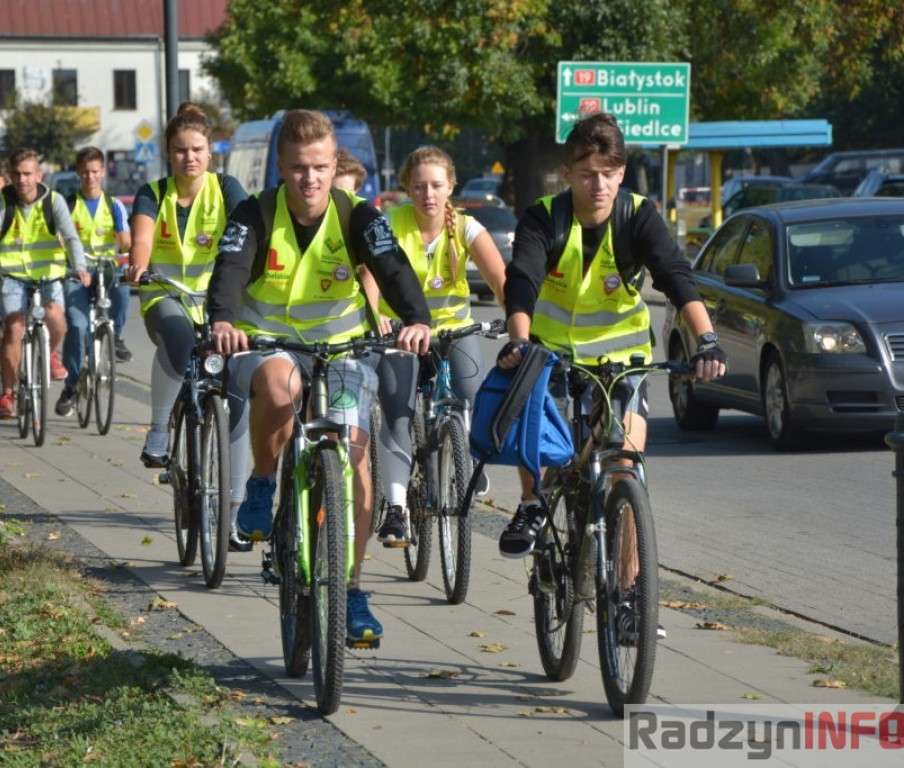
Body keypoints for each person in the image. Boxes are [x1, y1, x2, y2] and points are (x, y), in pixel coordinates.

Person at [207, 109, 432, 644]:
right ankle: (262, 482)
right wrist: (221, 318)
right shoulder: (253, 212)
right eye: (300, 167)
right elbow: (232, 269)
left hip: (344, 350)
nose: (311, 178)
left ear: (335, 167)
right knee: (281, 386)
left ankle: (351, 590)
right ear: (281, 168)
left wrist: (417, 319)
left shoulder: (359, 215)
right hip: (269, 342)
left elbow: (393, 266)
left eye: (321, 167)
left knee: (354, 457)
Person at [496, 112, 727, 559]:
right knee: (538, 434)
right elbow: (522, 278)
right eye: (586, 175)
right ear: (566, 175)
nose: (598, 186)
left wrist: (708, 340)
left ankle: (629, 605)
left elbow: (674, 276)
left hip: (624, 361)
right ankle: (531, 505)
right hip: (553, 355)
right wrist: (519, 340)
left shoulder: (637, 215)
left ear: (621, 172)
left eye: (608, 174)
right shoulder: (543, 218)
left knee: (625, 469)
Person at [368, 146, 506, 546]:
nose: (428, 194)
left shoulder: (466, 228)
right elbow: (370, 277)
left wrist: (516, 321)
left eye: (436, 186)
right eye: (419, 186)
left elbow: (500, 281)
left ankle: (465, 457)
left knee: (472, 394)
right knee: (397, 410)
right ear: (407, 189)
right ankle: (396, 509)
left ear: (451, 187)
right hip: (402, 333)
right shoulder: (388, 224)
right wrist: (376, 312)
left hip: (452, 330)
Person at [0, 147, 89, 420]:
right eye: (16, 174)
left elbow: (71, 237)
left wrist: (80, 268)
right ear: (9, 175)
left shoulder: (54, 202)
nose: (22, 180)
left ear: (39, 175)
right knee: (13, 328)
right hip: (12, 277)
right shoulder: (1, 203)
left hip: (48, 276)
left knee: (55, 316)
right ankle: (7, 395)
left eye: (27, 174)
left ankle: (50, 352)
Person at [56, 146, 134, 417]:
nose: (90, 176)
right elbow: (59, 239)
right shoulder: (68, 205)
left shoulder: (114, 205)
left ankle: (118, 335)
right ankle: (71, 385)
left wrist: (123, 241)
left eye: (95, 171)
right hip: (76, 273)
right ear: (79, 173)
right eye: (85, 172)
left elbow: (125, 239)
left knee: (123, 289)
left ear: (102, 173)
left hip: (105, 268)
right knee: (77, 327)